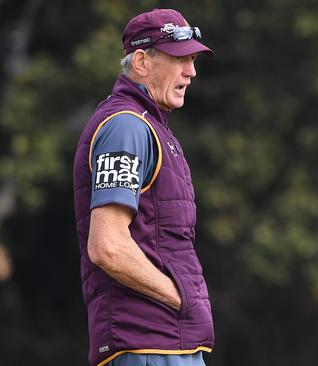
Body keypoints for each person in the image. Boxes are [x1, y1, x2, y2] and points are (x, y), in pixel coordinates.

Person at [72, 9, 215, 366]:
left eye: (193, 60)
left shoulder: (151, 127)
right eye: (180, 59)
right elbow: (107, 246)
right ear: (141, 62)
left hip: (166, 341)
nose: (191, 71)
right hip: (149, 344)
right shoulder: (127, 127)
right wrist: (179, 297)